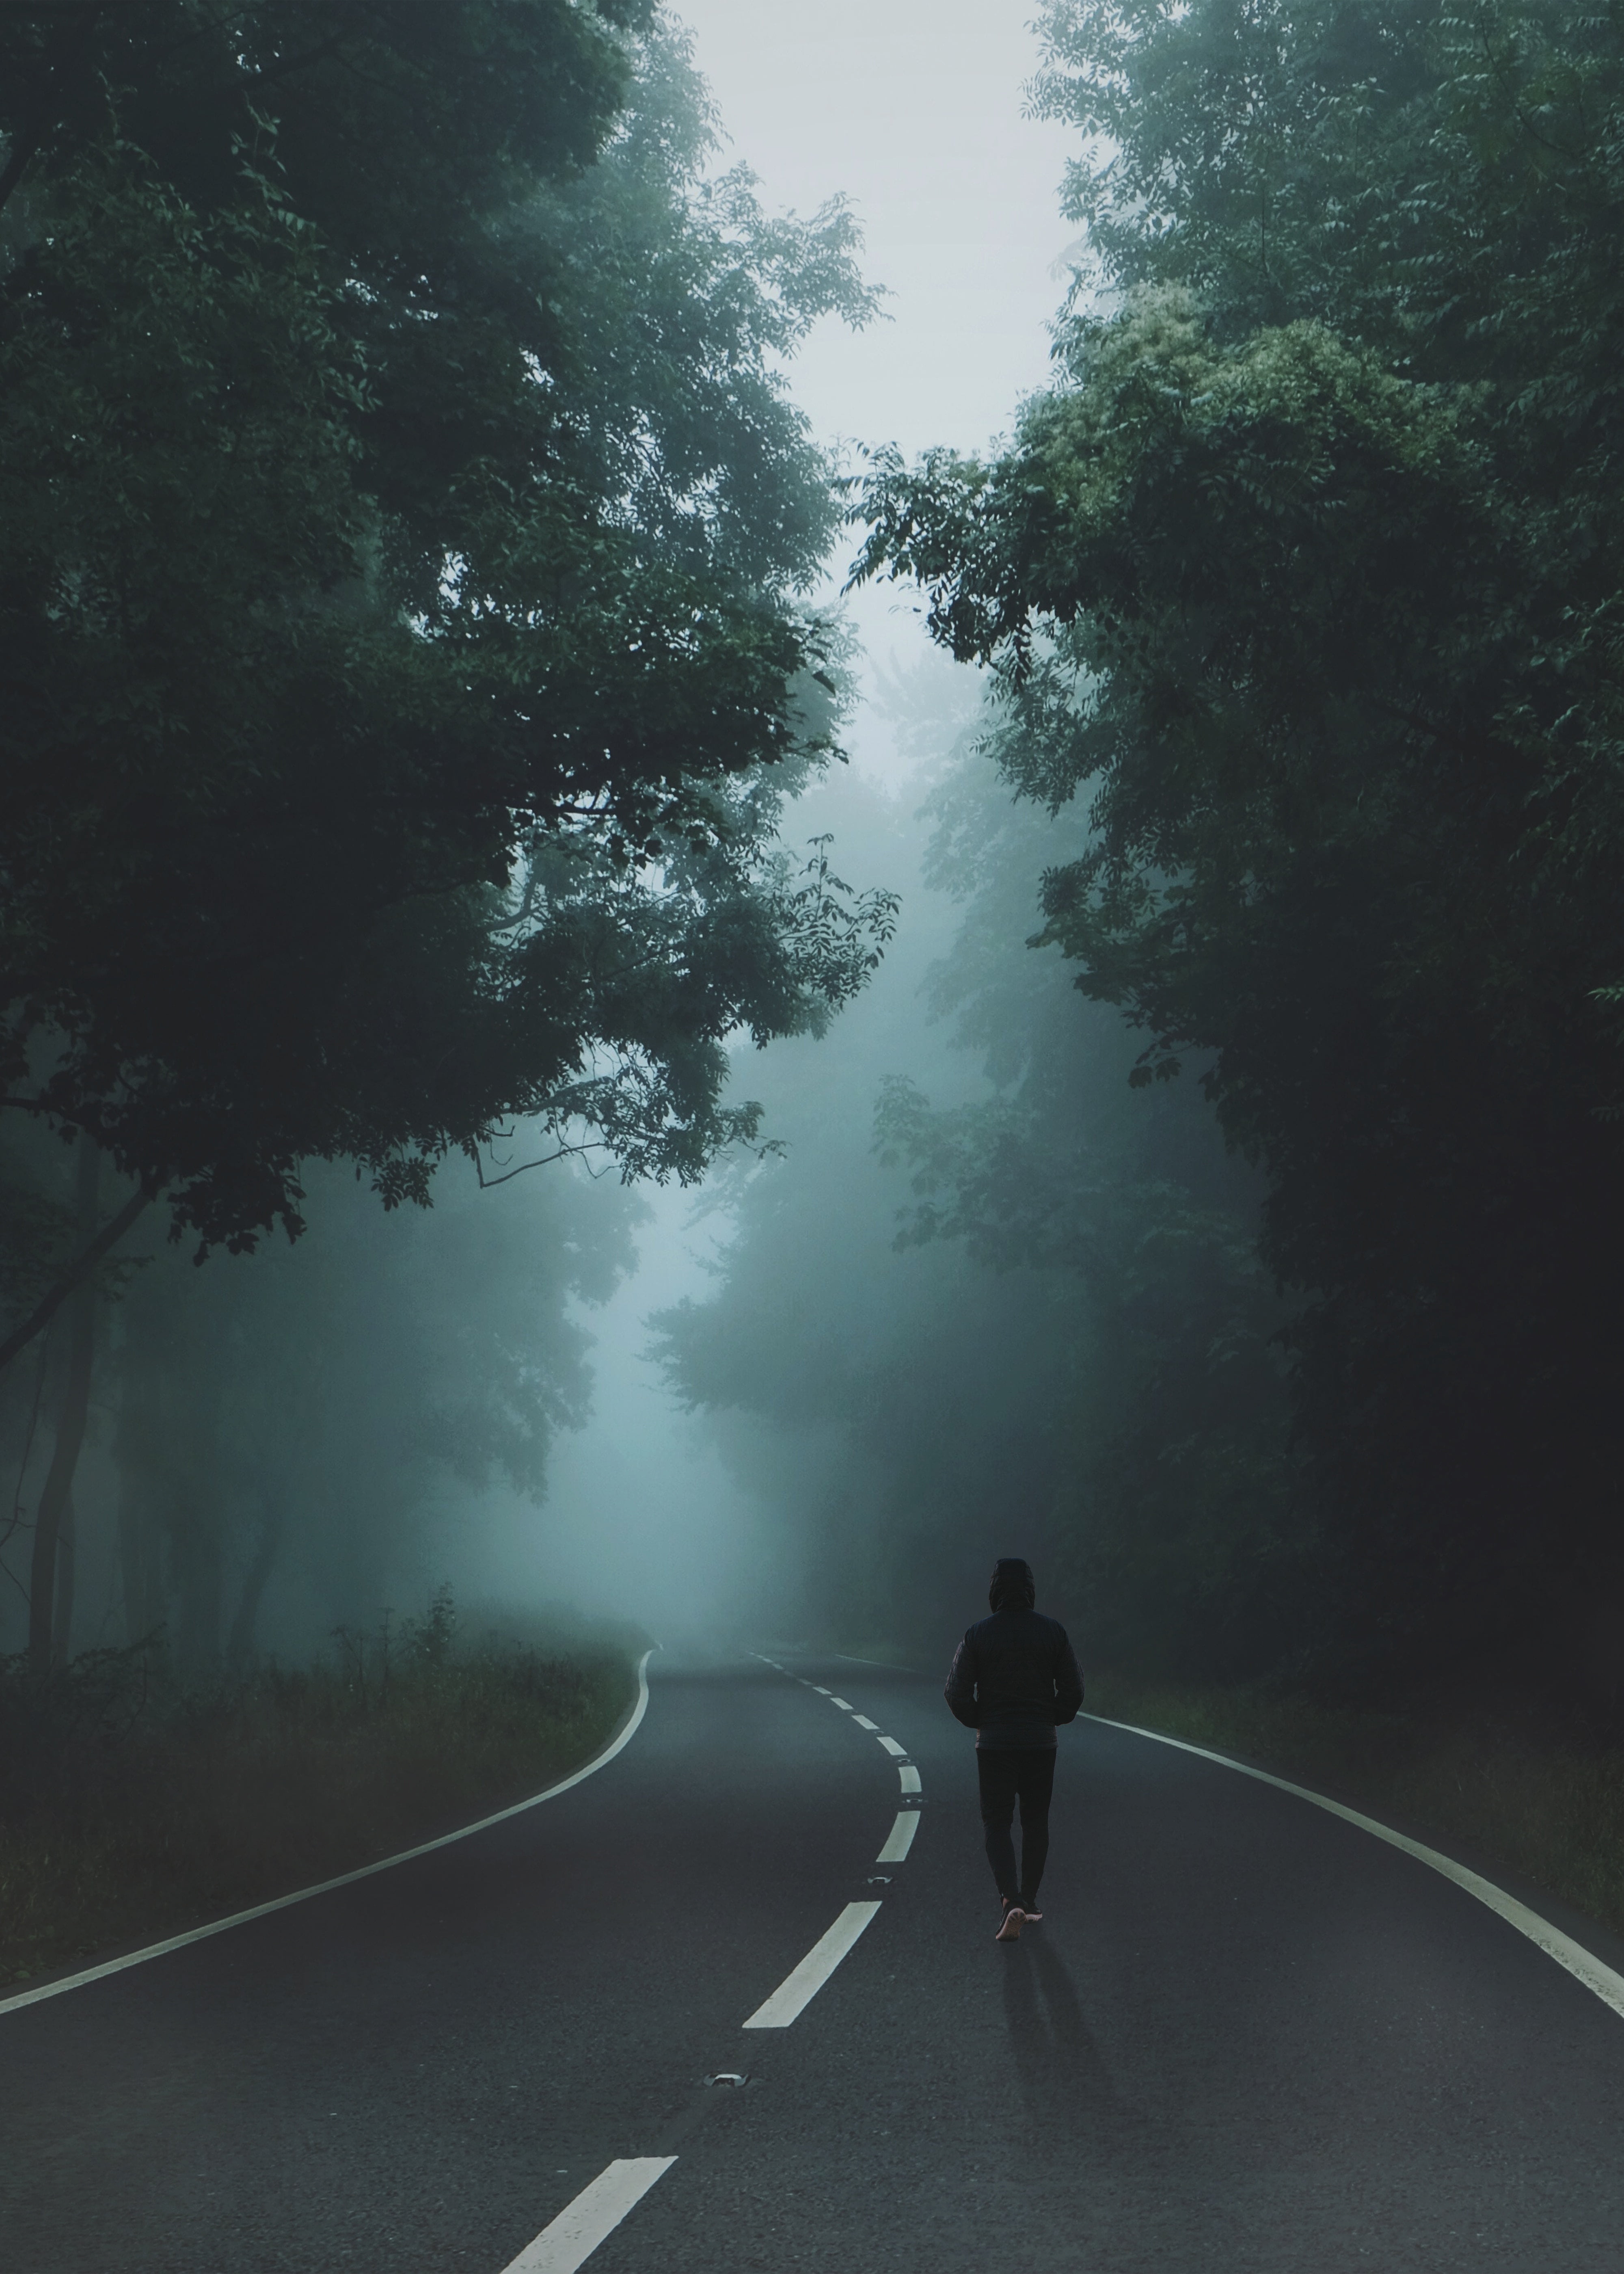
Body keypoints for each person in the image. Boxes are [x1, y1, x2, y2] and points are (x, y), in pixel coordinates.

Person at [944, 1557, 1084, 1942]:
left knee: (997, 1821)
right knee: (1035, 1821)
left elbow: (955, 1691)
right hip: (1041, 1741)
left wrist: (981, 1720)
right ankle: (1032, 1900)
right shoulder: (1053, 1632)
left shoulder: (977, 1635)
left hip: (994, 1744)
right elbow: (1075, 1689)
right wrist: (1050, 1717)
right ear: (1030, 1589)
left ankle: (1011, 1902)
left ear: (994, 1591)